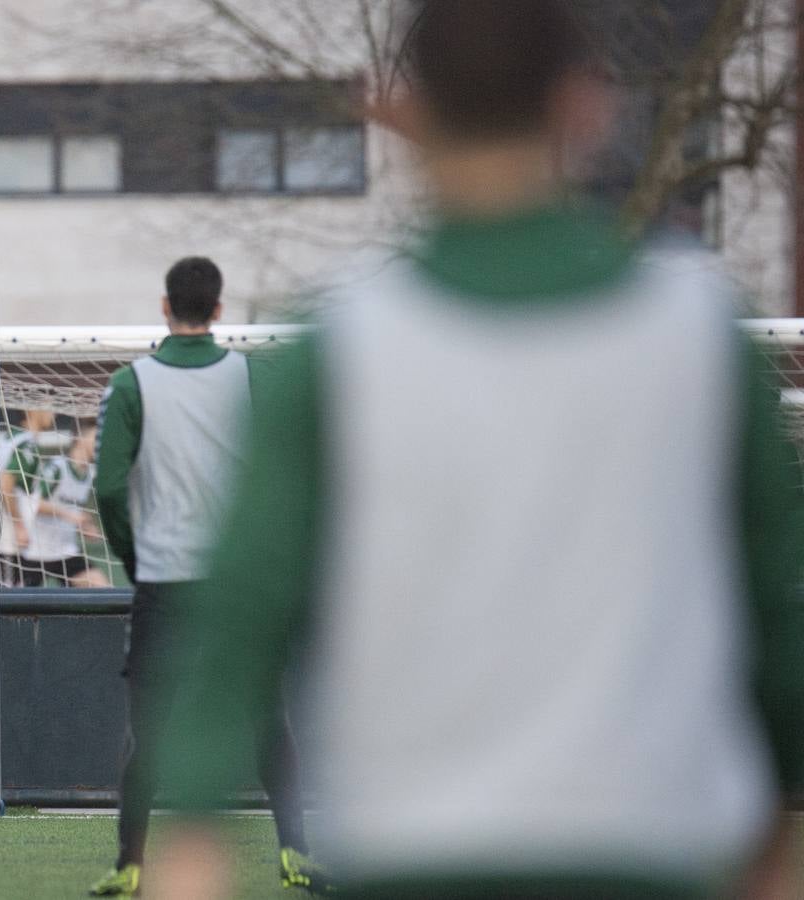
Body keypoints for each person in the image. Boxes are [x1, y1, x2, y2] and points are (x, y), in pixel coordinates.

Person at [151, 2, 804, 898]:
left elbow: (239, 627)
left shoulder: (334, 350)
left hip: (414, 853)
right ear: (588, 105)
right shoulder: (702, 336)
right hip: (651, 852)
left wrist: (191, 838)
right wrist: (771, 832)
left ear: (401, 113)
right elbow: (773, 617)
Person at [88, 256, 318, 896]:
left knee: (149, 732)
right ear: (219, 310)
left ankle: (131, 863)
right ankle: (295, 853)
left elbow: (107, 486)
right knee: (270, 722)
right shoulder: (255, 377)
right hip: (236, 585)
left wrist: (134, 556)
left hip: (164, 579)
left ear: (165, 307)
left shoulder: (132, 384)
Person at [21, 421, 110, 588]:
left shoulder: (89, 474)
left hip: (66, 552)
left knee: (104, 589)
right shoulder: (57, 468)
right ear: (80, 438)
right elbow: (35, 504)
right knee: (15, 606)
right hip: (36, 552)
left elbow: (73, 513)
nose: (101, 442)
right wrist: (70, 516)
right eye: (96, 437)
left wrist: (85, 528)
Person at [0, 407, 55, 586]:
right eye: (49, 405)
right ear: (32, 409)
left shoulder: (9, 438)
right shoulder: (27, 444)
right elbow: (6, 481)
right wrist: (19, 524)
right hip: (7, 541)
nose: (54, 411)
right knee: (6, 602)